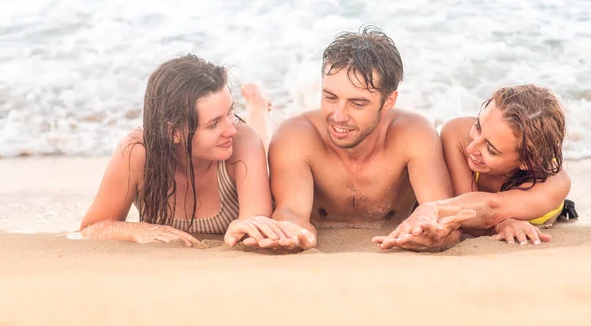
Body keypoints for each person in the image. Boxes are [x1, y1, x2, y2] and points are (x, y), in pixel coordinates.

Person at [241, 26, 469, 252]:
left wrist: (435, 234)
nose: (338, 116)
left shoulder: (414, 135)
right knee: (257, 144)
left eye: (358, 103)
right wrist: (292, 232)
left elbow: (439, 212)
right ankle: (257, 107)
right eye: (330, 97)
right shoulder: (296, 135)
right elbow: (290, 212)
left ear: (389, 101)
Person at [79, 54, 285, 247]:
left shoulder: (243, 141)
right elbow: (91, 228)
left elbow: (256, 224)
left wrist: (245, 226)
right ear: (174, 132)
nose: (230, 129)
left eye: (231, 111)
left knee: (259, 144)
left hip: (249, 146)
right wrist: (138, 230)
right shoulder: (137, 152)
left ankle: (257, 107)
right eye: (213, 124)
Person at [376, 85, 577, 252]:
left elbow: (489, 209)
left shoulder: (554, 183)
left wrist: (431, 207)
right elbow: (466, 217)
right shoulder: (457, 133)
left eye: (491, 149)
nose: (471, 147)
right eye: (479, 126)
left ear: (527, 163)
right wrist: (504, 223)